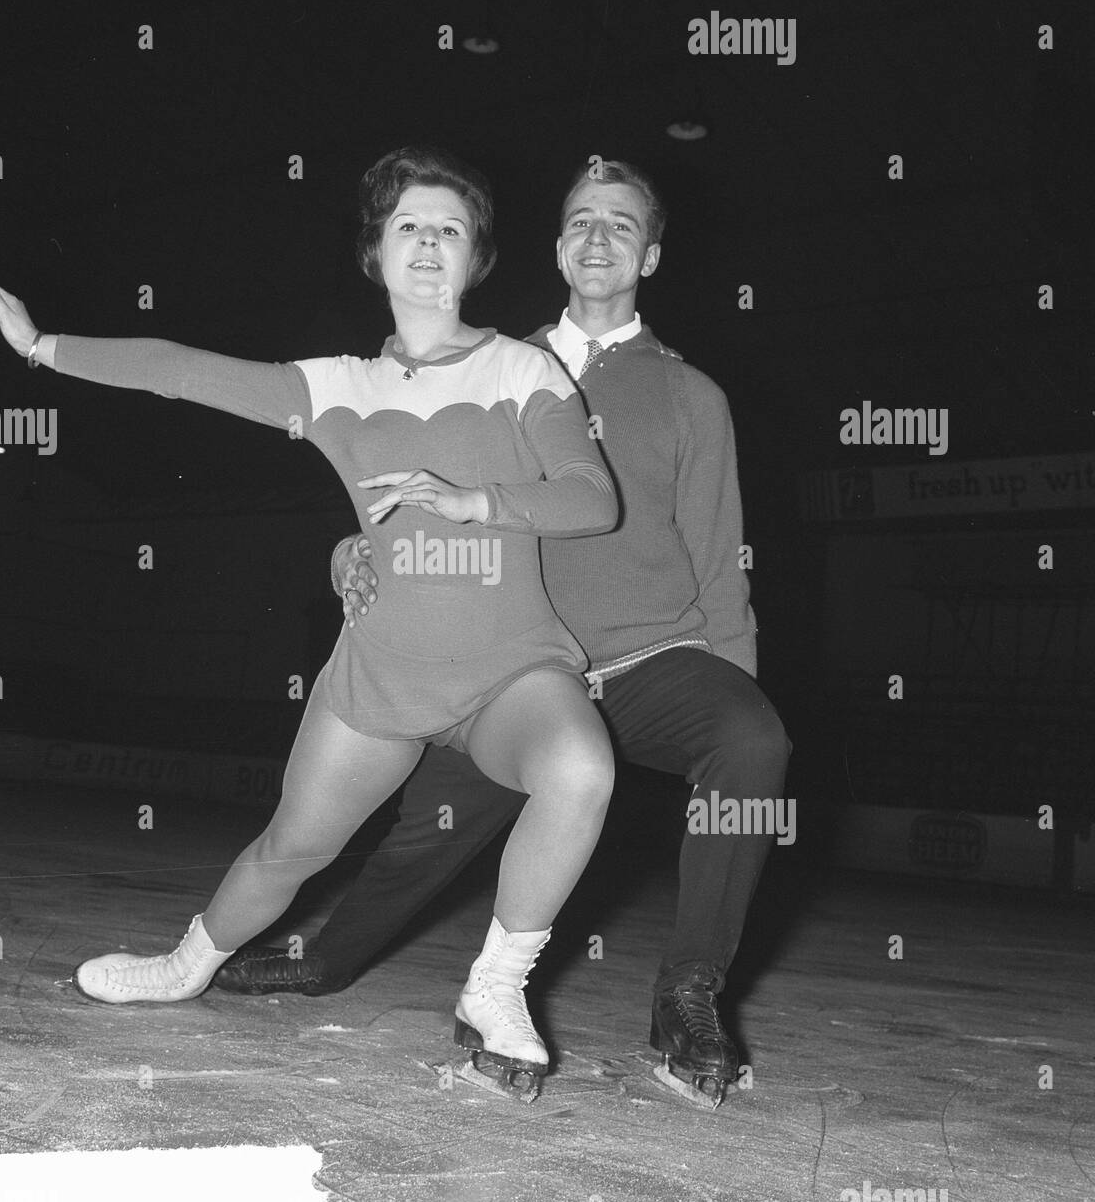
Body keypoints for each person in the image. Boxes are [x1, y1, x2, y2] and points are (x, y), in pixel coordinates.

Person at [0, 147, 618, 1100]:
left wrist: (472, 501)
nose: (428, 243)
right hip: (382, 677)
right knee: (292, 848)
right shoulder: (338, 385)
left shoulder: (526, 366)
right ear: (376, 254)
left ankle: (496, 986)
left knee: (581, 769)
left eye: (449, 229)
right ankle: (185, 966)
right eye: (408, 227)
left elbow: (592, 500)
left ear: (475, 256)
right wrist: (40, 348)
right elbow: (180, 371)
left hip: (511, 670)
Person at [215, 160, 791, 1110]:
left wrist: (734, 698)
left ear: (650, 253)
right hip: (512, 667)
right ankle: (324, 958)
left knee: (752, 740)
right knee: (421, 837)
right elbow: (399, 500)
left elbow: (721, 557)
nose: (598, 236)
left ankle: (689, 994)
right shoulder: (493, 366)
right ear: (557, 246)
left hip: (650, 660)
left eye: (621, 223)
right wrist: (343, 556)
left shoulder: (693, 398)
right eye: (579, 220)